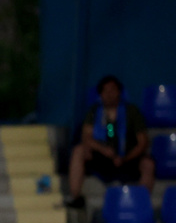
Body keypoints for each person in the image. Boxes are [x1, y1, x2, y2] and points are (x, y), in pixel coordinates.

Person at [66, 75, 155, 208]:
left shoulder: (132, 111)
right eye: (105, 91)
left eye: (112, 90)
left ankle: (140, 205)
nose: (109, 94)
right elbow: (86, 137)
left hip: (128, 158)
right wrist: (104, 150)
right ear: (100, 94)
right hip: (103, 158)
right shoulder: (94, 111)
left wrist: (125, 158)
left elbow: (143, 143)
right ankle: (76, 198)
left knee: (148, 164)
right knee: (79, 150)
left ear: (119, 92)